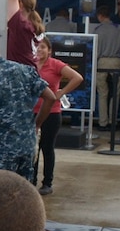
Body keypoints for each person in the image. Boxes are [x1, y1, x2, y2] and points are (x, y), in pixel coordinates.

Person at [0, 31, 49, 183]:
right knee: (23, 193)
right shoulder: (24, 70)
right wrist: (36, 124)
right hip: (27, 145)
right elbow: (50, 97)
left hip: (1, 149)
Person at [32, 36, 82, 195]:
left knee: (46, 147)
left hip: (51, 112)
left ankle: (47, 182)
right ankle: (29, 179)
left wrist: (61, 92)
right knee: (30, 149)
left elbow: (77, 78)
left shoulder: (55, 65)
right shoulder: (29, 64)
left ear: (50, 51)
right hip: (31, 112)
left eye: (43, 47)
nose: (39, 50)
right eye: (37, 47)